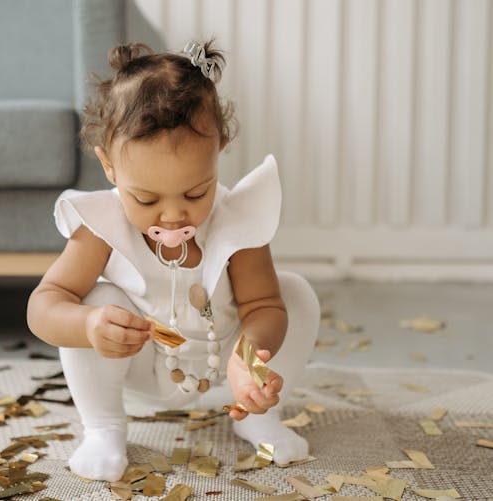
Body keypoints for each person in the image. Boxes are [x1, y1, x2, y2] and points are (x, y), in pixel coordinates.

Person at [27, 40, 320, 482]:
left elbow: (265, 306)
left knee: (296, 293)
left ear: (219, 149)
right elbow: (44, 305)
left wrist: (248, 358)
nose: (173, 215)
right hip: (137, 361)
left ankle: (255, 416)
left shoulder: (239, 220)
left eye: (195, 193)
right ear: (109, 167)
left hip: (223, 358)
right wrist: (88, 325)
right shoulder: (101, 225)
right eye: (145, 198)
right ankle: (103, 428)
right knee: (97, 295)